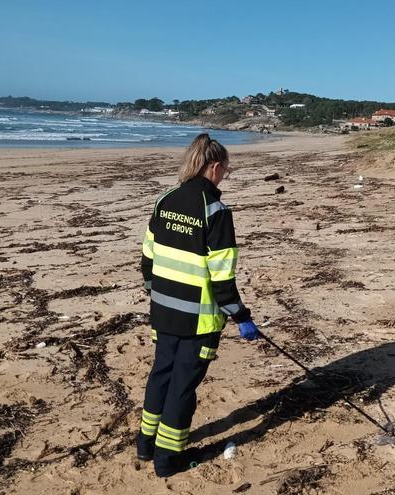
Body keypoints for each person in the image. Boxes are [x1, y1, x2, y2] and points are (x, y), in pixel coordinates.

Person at [137, 133, 260, 477]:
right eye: (226, 170)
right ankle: (166, 459)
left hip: (162, 312)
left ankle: (145, 445)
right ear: (214, 167)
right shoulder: (216, 211)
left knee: (160, 374)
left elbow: (148, 258)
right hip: (198, 321)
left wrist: (156, 292)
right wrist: (241, 317)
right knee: (182, 386)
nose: (225, 176)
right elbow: (222, 277)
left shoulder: (165, 199)